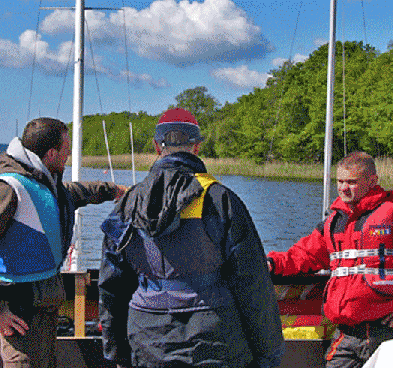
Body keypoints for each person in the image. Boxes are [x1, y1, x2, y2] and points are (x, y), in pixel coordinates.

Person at [98, 108, 284, 368]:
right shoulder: (221, 200)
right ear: (196, 147)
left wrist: (116, 351)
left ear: (155, 146)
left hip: (147, 337)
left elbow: (111, 285)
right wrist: (268, 355)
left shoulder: (129, 202)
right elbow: (253, 284)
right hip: (213, 338)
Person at [0, 117, 126, 368]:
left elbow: (73, 193)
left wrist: (113, 191)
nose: (69, 155)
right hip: (20, 314)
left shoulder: (42, 180)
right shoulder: (8, 189)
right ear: (52, 153)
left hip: (44, 308)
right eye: (66, 150)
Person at [267, 151, 393, 368]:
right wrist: (270, 264)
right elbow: (304, 255)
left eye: (352, 182)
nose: (343, 188)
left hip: (388, 332)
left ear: (372, 181)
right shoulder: (333, 221)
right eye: (340, 181)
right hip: (346, 335)